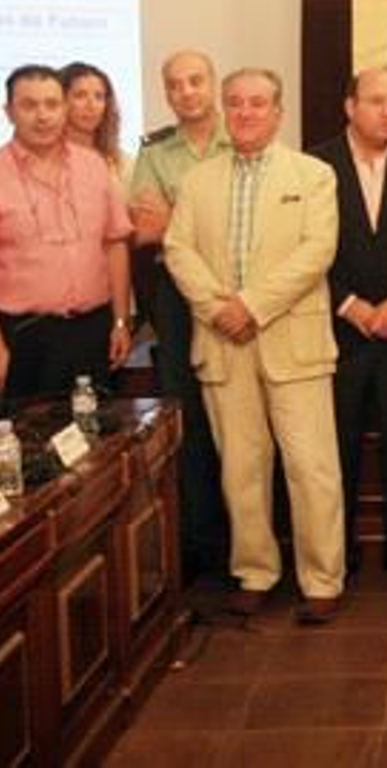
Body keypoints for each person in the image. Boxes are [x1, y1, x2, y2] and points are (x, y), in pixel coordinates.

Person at [163, 68, 346, 624]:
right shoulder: (199, 181)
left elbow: (317, 252)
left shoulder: (312, 175)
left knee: (311, 467)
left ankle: (322, 579)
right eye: (236, 103)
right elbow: (178, 249)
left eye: (258, 103)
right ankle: (256, 571)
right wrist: (220, 309)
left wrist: (253, 306)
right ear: (224, 109)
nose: (245, 113)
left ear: (278, 112)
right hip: (223, 342)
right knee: (241, 468)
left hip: (292, 340)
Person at [311, 69, 387, 584]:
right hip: (337, 333)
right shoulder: (313, 167)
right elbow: (305, 253)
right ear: (349, 106)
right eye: (376, 101)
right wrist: (352, 306)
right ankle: (338, 551)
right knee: (334, 449)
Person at [0, 64, 133, 400]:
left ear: (64, 109)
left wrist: (121, 321)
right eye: (29, 105)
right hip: (23, 336)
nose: (42, 116)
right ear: (9, 112)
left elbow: (115, 243)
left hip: (93, 330)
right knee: (29, 444)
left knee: (99, 442)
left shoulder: (94, 167)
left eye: (51, 104)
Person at [130, 49, 233, 584]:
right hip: (176, 301)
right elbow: (144, 230)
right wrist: (195, 226)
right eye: (175, 85)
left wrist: (178, 220)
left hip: (237, 296)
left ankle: (250, 546)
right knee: (189, 424)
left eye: (196, 80)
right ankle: (201, 547)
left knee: (240, 426)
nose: (186, 91)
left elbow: (249, 222)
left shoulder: (239, 137)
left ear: (212, 84)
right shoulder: (155, 152)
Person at [60, 61, 132, 186]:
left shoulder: (121, 162)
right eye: (80, 96)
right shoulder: (43, 158)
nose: (91, 105)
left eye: (99, 97)